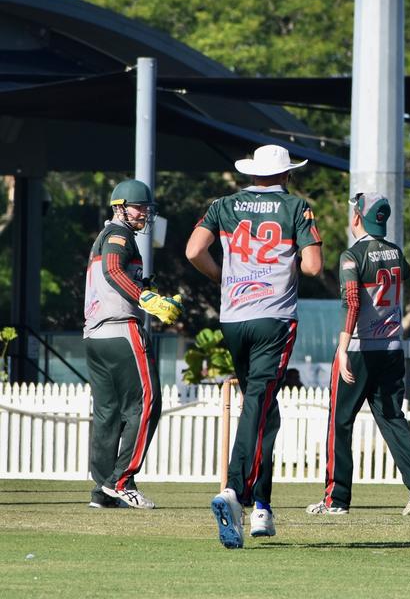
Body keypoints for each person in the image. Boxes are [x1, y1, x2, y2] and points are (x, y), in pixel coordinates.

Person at [185, 144, 323, 549]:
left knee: (265, 409)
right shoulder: (297, 208)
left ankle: (262, 506)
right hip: (274, 317)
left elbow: (194, 250)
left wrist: (222, 278)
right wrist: (286, 267)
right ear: (286, 175)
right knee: (258, 403)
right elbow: (313, 266)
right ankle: (235, 491)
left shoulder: (223, 205)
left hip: (233, 317)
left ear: (252, 175)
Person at [306, 192, 410, 517]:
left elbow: (352, 302)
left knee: (340, 421)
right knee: (393, 418)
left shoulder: (353, 256)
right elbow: (403, 272)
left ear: (358, 218)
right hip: (392, 349)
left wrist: (343, 346)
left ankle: (336, 500)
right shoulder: (395, 251)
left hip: (360, 349)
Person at [83, 179, 182, 510]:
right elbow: (112, 270)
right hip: (120, 329)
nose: (144, 213)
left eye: (145, 208)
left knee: (109, 413)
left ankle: (102, 489)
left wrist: (145, 286)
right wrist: (146, 297)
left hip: (95, 335)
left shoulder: (107, 236)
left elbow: (113, 275)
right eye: (139, 207)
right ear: (119, 207)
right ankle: (121, 481)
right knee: (147, 401)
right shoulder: (118, 234)